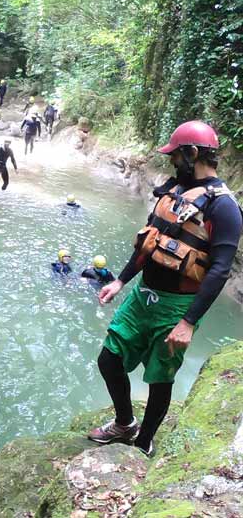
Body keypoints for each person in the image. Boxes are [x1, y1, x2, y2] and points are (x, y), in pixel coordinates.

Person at [87, 120, 240, 456]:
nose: (172, 162)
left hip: (176, 308)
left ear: (193, 153)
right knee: (109, 360)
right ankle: (125, 423)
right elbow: (149, 243)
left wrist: (188, 322)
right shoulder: (173, 192)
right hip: (142, 296)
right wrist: (120, 280)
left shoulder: (224, 207)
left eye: (176, 156)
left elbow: (219, 271)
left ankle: (143, 443)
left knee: (159, 378)